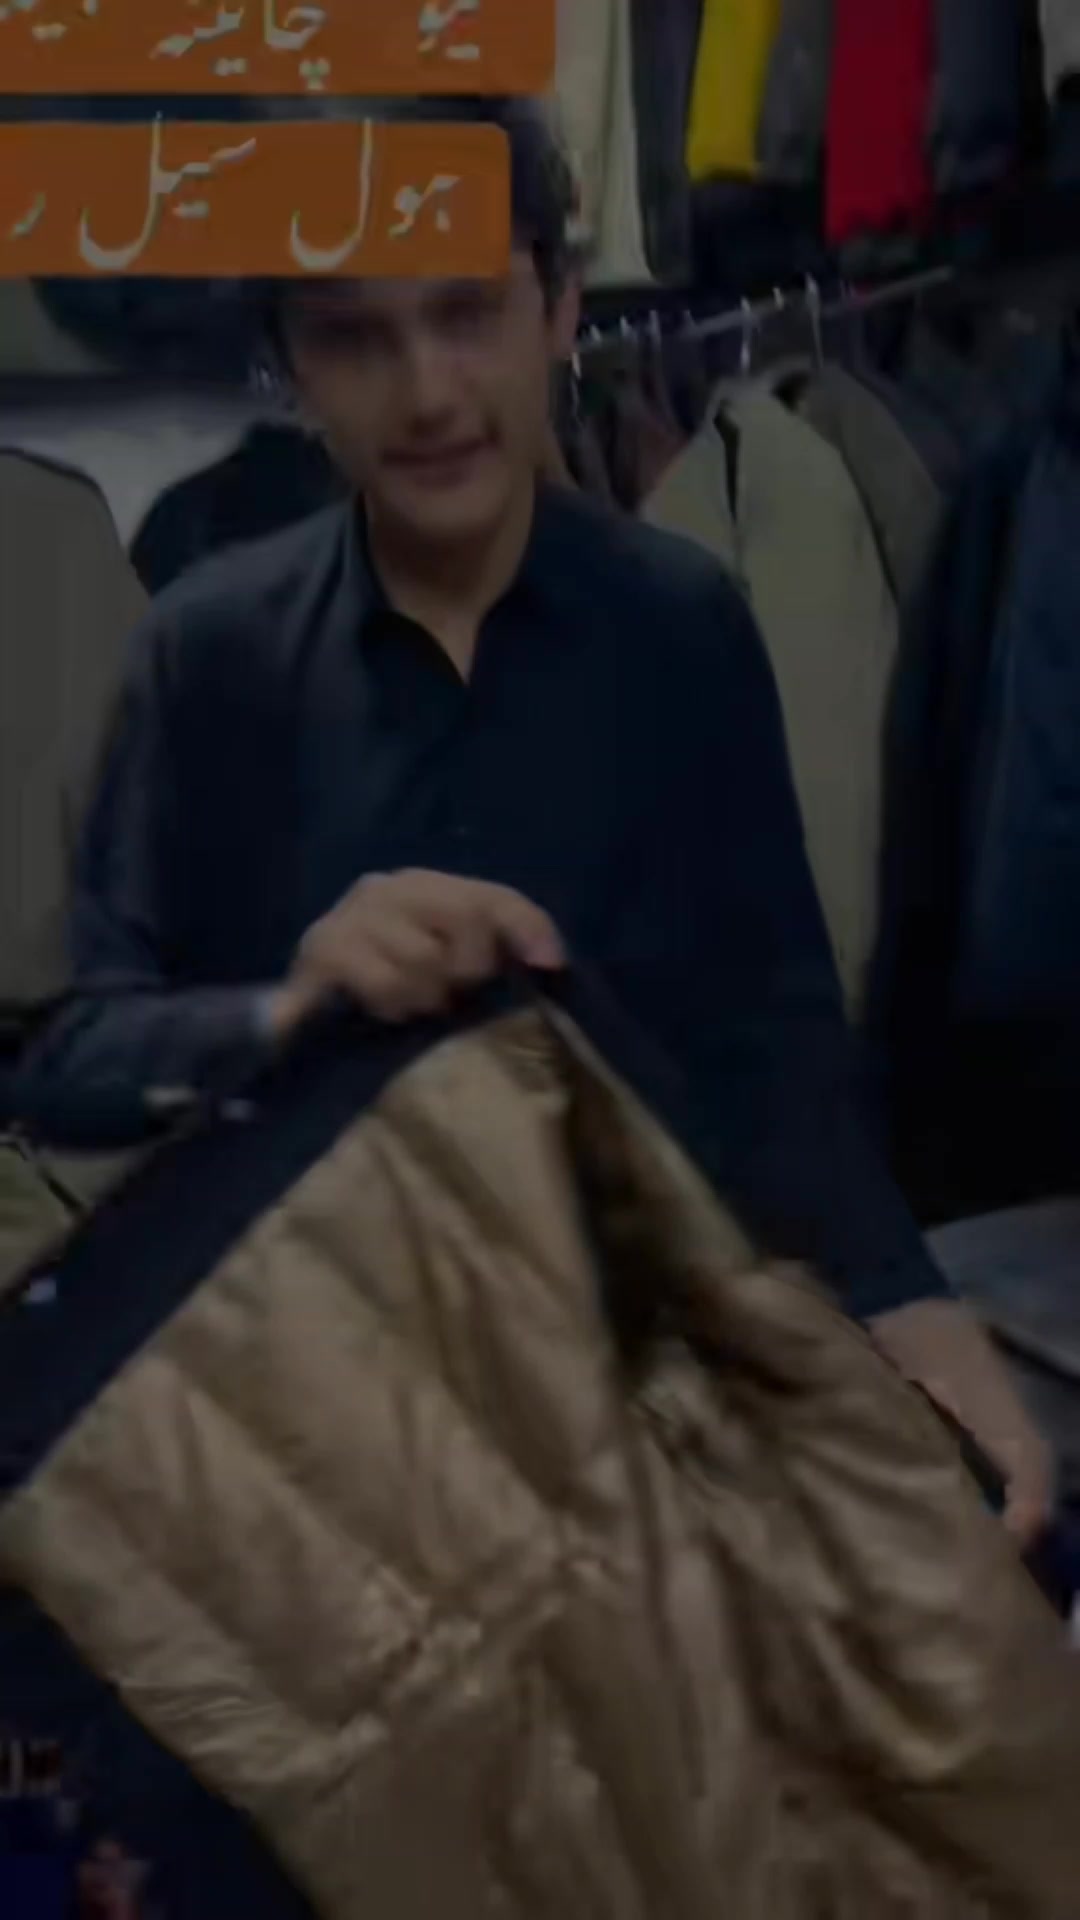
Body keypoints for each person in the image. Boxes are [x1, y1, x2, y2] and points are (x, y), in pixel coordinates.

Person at [13, 98, 1050, 1544]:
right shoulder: (208, 658)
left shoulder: (682, 623)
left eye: (467, 312)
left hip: (665, 1440)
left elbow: (779, 1054)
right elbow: (68, 1067)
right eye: (357, 337)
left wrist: (914, 1312)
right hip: (350, 1473)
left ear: (559, 306)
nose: (429, 390)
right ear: (294, 364)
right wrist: (282, 1013)